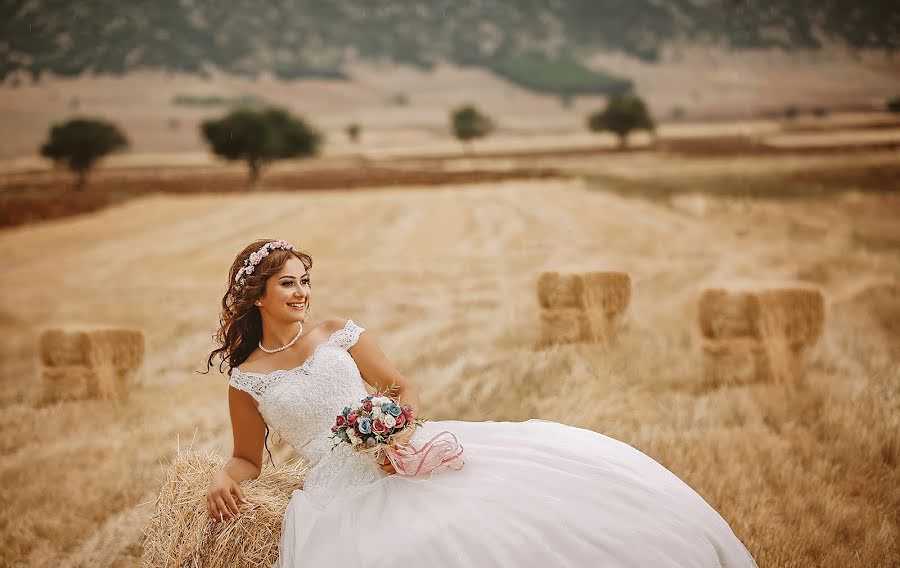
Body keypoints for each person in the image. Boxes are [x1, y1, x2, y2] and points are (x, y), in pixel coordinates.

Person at [206, 239, 759, 567]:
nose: (302, 292)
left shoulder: (335, 331)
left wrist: (397, 429)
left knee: (490, 524)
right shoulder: (247, 378)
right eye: (288, 285)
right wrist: (220, 476)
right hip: (334, 488)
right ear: (257, 295)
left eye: (306, 281)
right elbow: (248, 460)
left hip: (405, 452)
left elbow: (400, 385)